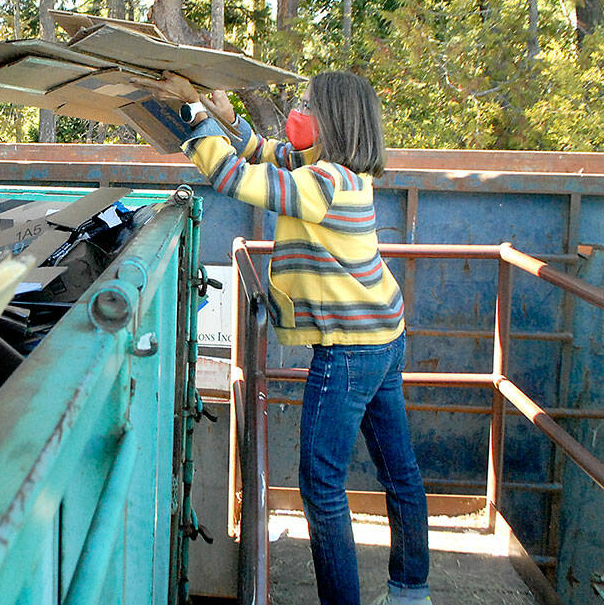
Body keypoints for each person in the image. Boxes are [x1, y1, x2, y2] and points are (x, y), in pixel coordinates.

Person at [138, 70, 431, 605]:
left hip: (348, 350)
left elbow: (233, 176)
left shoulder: (321, 184)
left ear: (333, 122)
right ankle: (412, 591)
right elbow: (266, 153)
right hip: (384, 336)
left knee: (321, 487)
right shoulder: (340, 173)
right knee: (401, 472)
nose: (298, 110)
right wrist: (227, 117)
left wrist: (196, 116)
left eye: (308, 104)